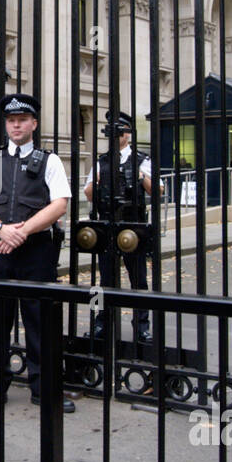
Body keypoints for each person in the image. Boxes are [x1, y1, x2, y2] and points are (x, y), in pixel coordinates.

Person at [0, 92, 74, 413]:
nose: (16, 125)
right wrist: (2, 230)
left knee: (39, 321)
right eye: (11, 121)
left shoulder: (49, 160)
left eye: (22, 120)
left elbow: (59, 205)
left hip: (36, 250)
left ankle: (44, 388)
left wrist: (22, 231)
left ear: (33, 124)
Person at [83, 110, 153, 344]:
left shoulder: (142, 159)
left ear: (128, 134)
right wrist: (97, 183)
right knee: (104, 281)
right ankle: (102, 322)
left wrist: (141, 177)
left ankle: (142, 327)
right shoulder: (101, 161)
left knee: (138, 280)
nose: (116, 136)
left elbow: (159, 191)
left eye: (120, 132)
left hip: (133, 225)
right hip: (106, 224)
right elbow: (88, 193)